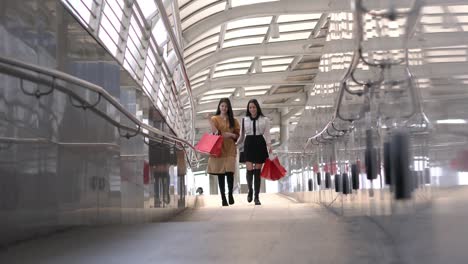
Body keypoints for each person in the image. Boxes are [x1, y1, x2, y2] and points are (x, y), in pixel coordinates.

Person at [237, 99, 272, 205]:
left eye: (254, 107)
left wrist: (269, 146)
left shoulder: (264, 119)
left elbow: (267, 134)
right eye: (250, 107)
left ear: (257, 108)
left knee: (257, 172)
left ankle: (256, 197)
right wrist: (236, 144)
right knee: (249, 170)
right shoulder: (244, 119)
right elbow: (242, 135)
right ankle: (250, 190)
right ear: (248, 109)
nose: (252, 109)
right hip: (248, 143)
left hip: (260, 143)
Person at [207, 98, 240, 206]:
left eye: (226, 106)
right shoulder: (214, 119)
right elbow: (215, 132)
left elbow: (237, 135)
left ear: (228, 108)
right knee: (220, 173)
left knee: (230, 172)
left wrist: (230, 135)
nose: (224, 108)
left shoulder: (234, 121)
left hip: (230, 148)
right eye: (222, 106)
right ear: (219, 107)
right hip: (219, 149)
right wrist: (210, 121)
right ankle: (223, 198)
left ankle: (230, 193)